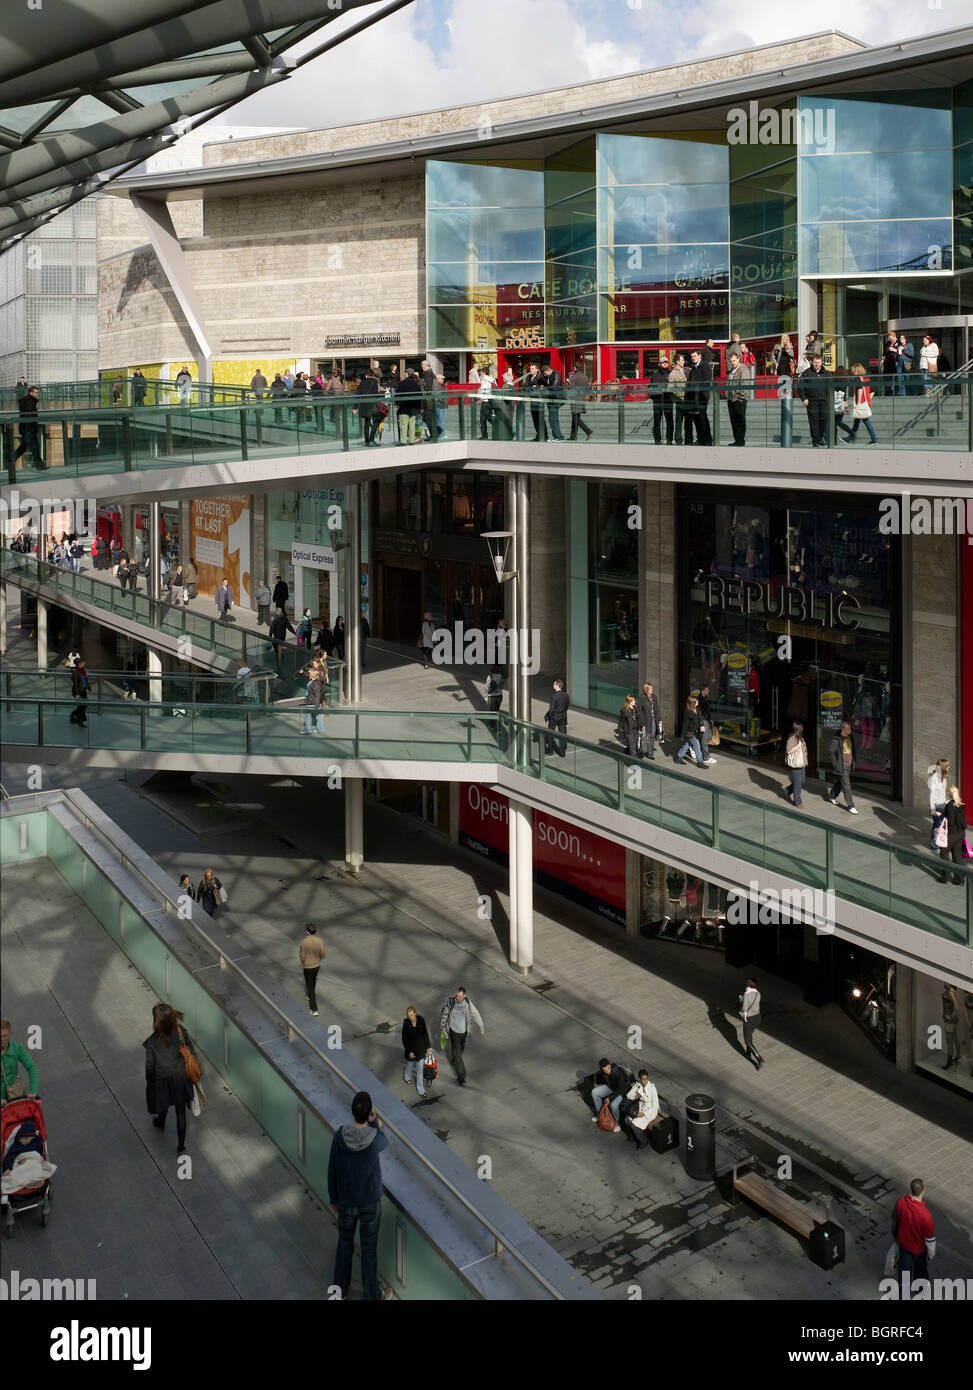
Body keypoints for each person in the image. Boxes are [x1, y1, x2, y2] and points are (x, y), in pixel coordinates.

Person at [328, 1090, 387, 1301]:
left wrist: (334, 1198)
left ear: (352, 1111)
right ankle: (371, 1294)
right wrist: (373, 1122)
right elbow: (384, 1141)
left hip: (346, 1201)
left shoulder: (340, 1136)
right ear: (370, 1111)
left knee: (344, 1243)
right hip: (370, 1202)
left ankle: (339, 1289)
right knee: (369, 1249)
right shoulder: (374, 1140)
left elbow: (332, 1169)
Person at [144, 1003, 199, 1156]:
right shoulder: (181, 1032)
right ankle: (181, 1148)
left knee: (163, 1104)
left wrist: (150, 1082)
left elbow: (149, 1067)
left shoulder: (152, 1042)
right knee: (181, 1113)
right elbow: (192, 1053)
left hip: (162, 1081)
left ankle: (161, 1123)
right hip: (181, 1079)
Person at [891, 1179, 935, 1297]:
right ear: (923, 1191)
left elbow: (894, 1222)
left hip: (904, 1248)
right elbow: (930, 1239)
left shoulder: (901, 1202)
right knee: (921, 1276)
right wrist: (931, 1254)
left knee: (904, 1278)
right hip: (919, 1252)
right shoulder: (925, 1214)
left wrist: (896, 1237)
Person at [438, 986, 484, 1087]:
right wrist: (443, 1029)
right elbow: (444, 1015)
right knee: (457, 1053)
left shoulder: (467, 1002)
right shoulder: (451, 1002)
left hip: (464, 1033)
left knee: (460, 1050)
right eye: (456, 995)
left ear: (464, 996)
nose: (457, 998)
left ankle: (455, 1060)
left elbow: (475, 1013)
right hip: (453, 1032)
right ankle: (461, 1076)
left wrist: (481, 1026)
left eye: (459, 996)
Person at [1, 1020, 40, 1104]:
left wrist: (33, 1090)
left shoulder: (17, 1048)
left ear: (10, 1033)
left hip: (15, 1092)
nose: (3, 1039)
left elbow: (31, 1066)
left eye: (5, 1036)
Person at [589, 1057, 633, 1130]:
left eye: (608, 1068)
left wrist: (610, 1098)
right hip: (612, 1087)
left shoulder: (618, 1072)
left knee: (613, 1105)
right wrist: (597, 1084)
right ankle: (599, 1114)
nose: (607, 1071)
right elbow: (601, 1077)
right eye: (605, 1070)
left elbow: (621, 1088)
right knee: (594, 1092)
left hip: (622, 1091)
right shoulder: (603, 1072)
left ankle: (618, 1123)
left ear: (610, 1065)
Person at [799, 352, 833, 447]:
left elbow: (830, 388)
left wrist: (830, 399)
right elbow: (800, 387)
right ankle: (815, 441)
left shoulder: (827, 374)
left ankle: (820, 437)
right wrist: (803, 398)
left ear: (822, 362)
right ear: (812, 362)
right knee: (813, 422)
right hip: (811, 401)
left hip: (824, 402)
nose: (816, 364)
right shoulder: (806, 373)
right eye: (814, 362)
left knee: (823, 420)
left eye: (818, 362)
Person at [620, 1069, 660, 1148]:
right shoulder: (638, 1085)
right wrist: (636, 1095)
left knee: (633, 1125)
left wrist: (644, 1113)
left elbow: (655, 1106)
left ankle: (644, 1141)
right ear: (640, 1079)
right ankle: (632, 1137)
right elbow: (628, 1095)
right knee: (626, 1119)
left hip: (650, 1111)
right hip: (640, 1108)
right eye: (643, 1079)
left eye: (646, 1079)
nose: (645, 1081)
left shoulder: (652, 1088)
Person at [828, 718, 858, 813]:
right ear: (843, 729)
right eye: (848, 729)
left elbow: (852, 751)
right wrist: (836, 764)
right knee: (847, 785)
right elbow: (831, 752)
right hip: (842, 766)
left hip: (849, 765)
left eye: (850, 728)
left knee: (841, 782)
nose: (850, 730)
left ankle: (832, 796)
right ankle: (850, 805)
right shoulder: (837, 739)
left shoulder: (850, 737)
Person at [938, 786, 967, 886]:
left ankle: (945, 876)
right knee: (957, 854)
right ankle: (960, 879)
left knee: (944, 853)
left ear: (949, 794)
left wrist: (941, 815)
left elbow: (950, 821)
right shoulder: (961, 803)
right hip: (961, 833)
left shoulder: (950, 805)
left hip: (952, 834)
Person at [402, 1005, 430, 1097]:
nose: (411, 1017)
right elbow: (404, 1039)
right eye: (409, 1016)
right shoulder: (406, 1023)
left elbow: (425, 1033)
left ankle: (421, 1090)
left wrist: (428, 1047)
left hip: (420, 1049)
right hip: (411, 1050)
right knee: (409, 1064)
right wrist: (409, 1051)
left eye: (412, 1015)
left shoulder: (421, 1020)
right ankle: (407, 1076)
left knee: (419, 1071)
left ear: (415, 1013)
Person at [687, 349, 713, 445]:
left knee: (703, 418)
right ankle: (701, 439)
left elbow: (706, 382)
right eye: (692, 356)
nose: (693, 358)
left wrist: (702, 396)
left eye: (694, 356)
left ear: (699, 356)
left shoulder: (705, 366)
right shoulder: (693, 368)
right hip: (694, 398)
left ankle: (707, 439)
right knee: (696, 419)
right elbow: (689, 384)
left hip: (702, 397)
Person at [675, 695, 710, 767]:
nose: (698, 701)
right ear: (693, 703)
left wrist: (702, 725)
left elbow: (700, 718)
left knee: (686, 745)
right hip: (689, 733)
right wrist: (682, 735)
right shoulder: (688, 712)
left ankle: (678, 757)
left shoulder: (697, 710)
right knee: (697, 747)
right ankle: (700, 762)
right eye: (696, 701)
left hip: (694, 732)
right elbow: (685, 724)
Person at [299, 923, 326, 1016]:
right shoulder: (319, 940)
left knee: (309, 986)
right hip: (317, 965)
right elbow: (323, 954)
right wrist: (318, 959)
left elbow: (302, 956)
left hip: (307, 966)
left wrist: (304, 962)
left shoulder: (303, 942)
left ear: (307, 931)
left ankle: (314, 1009)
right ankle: (311, 994)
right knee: (313, 981)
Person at [846, 363, 877, 444]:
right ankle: (849, 438)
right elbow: (873, 391)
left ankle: (874, 440)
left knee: (866, 421)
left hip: (860, 404)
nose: (852, 372)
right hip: (865, 403)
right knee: (857, 423)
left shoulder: (858, 379)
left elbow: (859, 390)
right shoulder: (866, 379)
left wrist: (859, 403)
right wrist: (867, 400)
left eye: (853, 370)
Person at [14, 385, 43, 469]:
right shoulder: (29, 402)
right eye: (36, 392)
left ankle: (9, 461)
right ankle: (39, 466)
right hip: (29, 429)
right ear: (31, 392)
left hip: (27, 429)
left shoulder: (28, 401)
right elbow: (29, 416)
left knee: (23, 447)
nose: (37, 394)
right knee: (35, 447)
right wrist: (30, 430)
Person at [739, 977, 763, 1069]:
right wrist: (744, 998)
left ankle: (758, 1057)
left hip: (749, 1019)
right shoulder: (758, 993)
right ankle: (748, 1052)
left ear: (748, 985)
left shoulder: (746, 995)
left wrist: (742, 999)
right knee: (749, 1035)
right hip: (758, 1018)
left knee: (747, 1040)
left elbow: (744, 1008)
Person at [725, 349, 749, 445]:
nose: (732, 363)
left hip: (740, 399)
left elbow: (744, 384)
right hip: (731, 399)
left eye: (734, 360)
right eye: (731, 361)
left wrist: (740, 397)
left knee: (740, 420)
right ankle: (737, 440)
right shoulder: (731, 370)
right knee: (733, 421)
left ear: (738, 359)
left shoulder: (743, 369)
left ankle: (740, 440)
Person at [649, 356, 673, 444]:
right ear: (659, 364)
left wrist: (672, 397)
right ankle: (657, 440)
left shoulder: (671, 373)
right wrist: (654, 397)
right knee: (657, 421)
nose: (665, 363)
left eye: (666, 362)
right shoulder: (655, 375)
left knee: (669, 421)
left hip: (668, 400)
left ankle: (669, 439)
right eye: (663, 362)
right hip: (657, 401)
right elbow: (650, 388)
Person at [784, 721, 809, 809]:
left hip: (801, 763)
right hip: (795, 764)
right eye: (801, 727)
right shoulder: (791, 738)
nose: (803, 728)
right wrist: (798, 745)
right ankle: (797, 802)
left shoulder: (800, 737)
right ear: (798, 728)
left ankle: (787, 790)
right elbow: (789, 751)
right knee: (798, 783)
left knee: (802, 781)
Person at [356, 366, 381, 446]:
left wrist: (355, 407)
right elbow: (376, 394)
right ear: (372, 375)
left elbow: (357, 394)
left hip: (364, 405)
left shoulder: (362, 383)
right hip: (373, 405)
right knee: (376, 422)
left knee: (366, 423)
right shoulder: (375, 381)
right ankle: (371, 439)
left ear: (366, 375)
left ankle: (367, 441)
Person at [545, 678, 569, 757]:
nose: (553, 685)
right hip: (563, 717)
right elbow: (566, 706)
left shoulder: (554, 696)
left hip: (554, 718)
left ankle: (550, 749)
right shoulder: (566, 695)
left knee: (550, 733)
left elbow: (551, 710)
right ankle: (563, 752)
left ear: (557, 685)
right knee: (562, 734)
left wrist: (548, 715)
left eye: (554, 684)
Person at [568, 364, 593, 440]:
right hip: (581, 398)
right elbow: (587, 388)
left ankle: (588, 431)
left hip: (575, 398)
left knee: (575, 418)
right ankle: (573, 436)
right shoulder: (585, 377)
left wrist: (568, 382)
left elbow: (571, 388)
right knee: (575, 417)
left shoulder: (573, 377)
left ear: (575, 368)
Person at [541, 363, 565, 440]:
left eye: (545, 373)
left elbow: (554, 388)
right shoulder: (548, 376)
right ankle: (556, 436)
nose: (544, 375)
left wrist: (544, 388)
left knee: (552, 419)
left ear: (549, 370)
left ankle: (559, 437)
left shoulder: (556, 375)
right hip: (551, 399)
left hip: (556, 399)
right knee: (553, 419)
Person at [668, 353, 688, 444]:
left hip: (688, 399)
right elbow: (671, 388)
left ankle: (688, 439)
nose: (684, 361)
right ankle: (678, 439)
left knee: (688, 421)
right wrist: (678, 397)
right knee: (679, 420)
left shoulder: (685, 370)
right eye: (682, 360)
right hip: (680, 399)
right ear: (677, 361)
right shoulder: (673, 374)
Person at [303, 665, 327, 735]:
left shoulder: (315, 683)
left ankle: (308, 730)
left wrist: (317, 706)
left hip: (312, 703)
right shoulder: (313, 681)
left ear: (312, 675)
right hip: (312, 702)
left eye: (310, 674)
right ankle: (320, 729)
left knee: (308, 716)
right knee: (318, 716)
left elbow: (317, 695)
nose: (309, 675)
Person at [637, 682, 659, 759]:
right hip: (646, 720)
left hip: (653, 718)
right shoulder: (642, 698)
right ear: (646, 690)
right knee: (647, 735)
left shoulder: (654, 697)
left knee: (652, 735)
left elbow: (656, 709)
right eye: (650, 689)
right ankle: (644, 751)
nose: (652, 690)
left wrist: (659, 719)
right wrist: (642, 723)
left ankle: (650, 754)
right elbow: (639, 711)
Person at [524, 361, 545, 440]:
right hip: (532, 399)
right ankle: (538, 435)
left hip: (539, 399)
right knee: (534, 419)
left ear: (537, 370)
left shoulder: (540, 377)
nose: (531, 370)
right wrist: (532, 388)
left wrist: (534, 387)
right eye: (530, 369)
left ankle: (544, 435)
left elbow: (542, 387)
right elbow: (526, 387)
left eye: (532, 369)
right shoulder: (529, 377)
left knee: (540, 418)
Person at [696, 684, 717, 762]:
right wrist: (701, 724)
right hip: (704, 721)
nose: (708, 691)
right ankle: (706, 757)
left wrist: (710, 719)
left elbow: (707, 710)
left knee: (708, 737)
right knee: (704, 739)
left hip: (708, 720)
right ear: (703, 690)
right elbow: (699, 713)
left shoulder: (705, 698)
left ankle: (697, 748)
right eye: (707, 690)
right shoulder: (699, 699)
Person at [476, 366, 496, 440]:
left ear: (484, 373)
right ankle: (485, 435)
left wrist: (479, 394)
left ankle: (485, 435)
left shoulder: (485, 380)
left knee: (484, 418)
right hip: (490, 401)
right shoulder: (492, 379)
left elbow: (483, 390)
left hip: (486, 401)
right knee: (486, 418)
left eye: (481, 372)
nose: (480, 374)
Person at [70, 659, 89, 727]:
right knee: (81, 706)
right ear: (80, 663)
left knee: (84, 705)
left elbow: (85, 680)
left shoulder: (82, 670)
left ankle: (74, 715)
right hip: (78, 691)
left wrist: (87, 688)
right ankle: (79, 721)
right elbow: (75, 684)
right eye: (83, 662)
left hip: (83, 690)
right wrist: (77, 694)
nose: (84, 663)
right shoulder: (76, 672)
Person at [433, 374, 448, 440]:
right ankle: (442, 434)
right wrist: (443, 402)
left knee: (439, 420)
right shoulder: (437, 385)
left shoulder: (437, 385)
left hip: (438, 405)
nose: (443, 380)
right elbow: (438, 396)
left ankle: (440, 434)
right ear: (438, 379)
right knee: (441, 420)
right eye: (442, 379)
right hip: (439, 405)